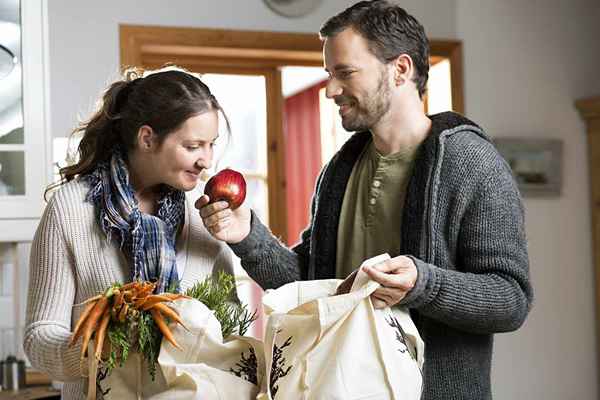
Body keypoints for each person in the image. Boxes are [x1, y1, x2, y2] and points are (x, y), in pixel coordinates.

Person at [198, 1, 534, 399]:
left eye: (345, 73)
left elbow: (510, 298)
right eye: (329, 74)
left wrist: (423, 283)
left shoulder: (471, 164)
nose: (330, 90)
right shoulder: (340, 169)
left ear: (401, 69)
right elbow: (313, 284)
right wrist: (247, 236)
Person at [24, 67, 237, 399]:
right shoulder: (71, 209)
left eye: (211, 145)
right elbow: (38, 338)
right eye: (193, 146)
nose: (206, 161)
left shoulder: (202, 213)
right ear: (148, 138)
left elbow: (233, 325)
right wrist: (95, 347)